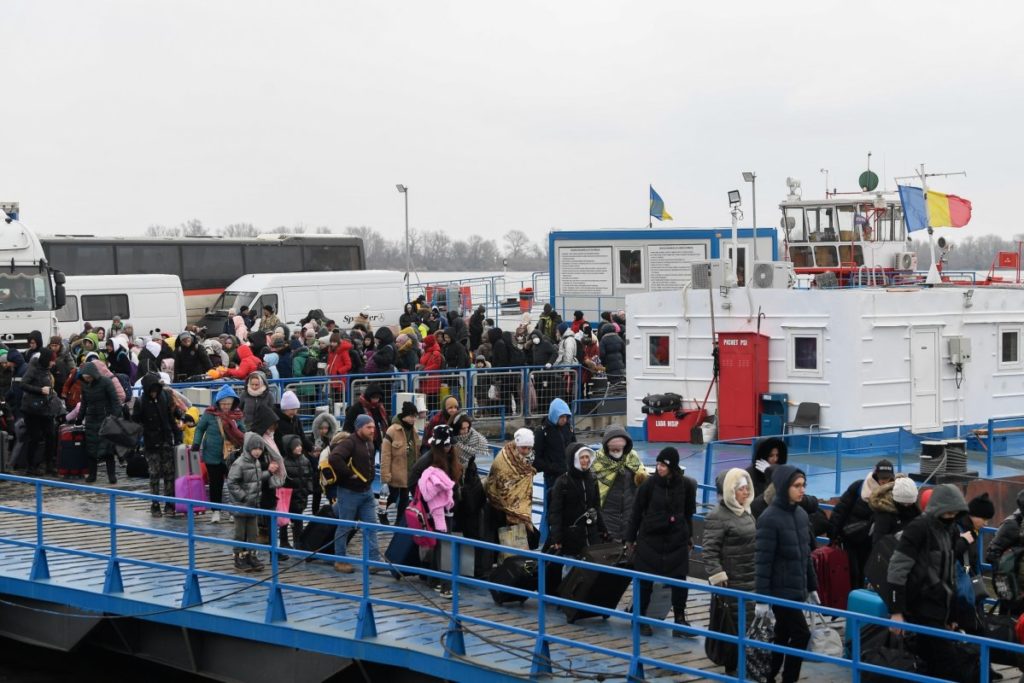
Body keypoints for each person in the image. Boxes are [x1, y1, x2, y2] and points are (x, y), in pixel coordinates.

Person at [885, 484, 969, 681]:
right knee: (949, 664)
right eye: (947, 511)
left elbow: (949, 574)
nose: (950, 516)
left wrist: (953, 615)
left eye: (954, 512)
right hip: (922, 608)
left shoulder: (949, 530)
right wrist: (896, 611)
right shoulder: (918, 528)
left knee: (933, 664)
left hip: (940, 610)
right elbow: (898, 568)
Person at [754, 465, 819, 683]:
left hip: (796, 587)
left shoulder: (801, 515)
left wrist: (812, 586)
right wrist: (762, 599)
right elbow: (763, 560)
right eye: (796, 486)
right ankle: (789, 679)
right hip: (780, 591)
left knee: (782, 634)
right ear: (784, 487)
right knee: (802, 634)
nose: (802, 490)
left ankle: (769, 675)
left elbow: (805, 554)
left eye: (803, 485)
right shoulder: (769, 518)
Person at [625, 447, 696, 636]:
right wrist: (630, 540)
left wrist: (689, 536)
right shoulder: (647, 486)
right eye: (658, 464)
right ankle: (640, 619)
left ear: (672, 467)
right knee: (645, 582)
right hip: (650, 540)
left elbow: (688, 514)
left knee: (680, 580)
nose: (659, 468)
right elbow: (636, 514)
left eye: (663, 465)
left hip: (676, 540)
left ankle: (680, 621)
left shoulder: (687, 486)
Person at [702, 468, 756, 675]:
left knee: (749, 623)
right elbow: (709, 550)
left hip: (751, 577)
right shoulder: (718, 516)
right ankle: (732, 665)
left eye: (746, 488)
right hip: (732, 581)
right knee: (733, 623)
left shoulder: (746, 512)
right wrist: (717, 574)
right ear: (730, 491)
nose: (745, 492)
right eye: (741, 488)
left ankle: (747, 663)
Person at [829, 458, 896, 590]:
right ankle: (852, 602)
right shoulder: (859, 487)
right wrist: (833, 535)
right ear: (875, 475)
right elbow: (841, 511)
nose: (884, 481)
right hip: (851, 538)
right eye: (881, 477)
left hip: (871, 542)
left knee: (867, 574)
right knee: (853, 573)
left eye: (887, 478)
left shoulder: (893, 493)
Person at [329, 414, 381, 574]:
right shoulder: (350, 442)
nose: (372, 430)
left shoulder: (369, 443)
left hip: (366, 492)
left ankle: (374, 561)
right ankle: (340, 560)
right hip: (349, 492)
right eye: (369, 427)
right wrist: (349, 474)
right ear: (359, 428)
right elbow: (335, 458)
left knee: (371, 526)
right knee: (345, 525)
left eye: (373, 427)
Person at [227, 432, 281, 572]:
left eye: (260, 449)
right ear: (248, 448)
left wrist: (268, 473)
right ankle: (239, 557)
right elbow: (232, 482)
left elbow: (255, 479)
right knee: (240, 533)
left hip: (253, 504)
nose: (257, 452)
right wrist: (243, 496)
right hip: (241, 504)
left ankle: (252, 556)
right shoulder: (239, 463)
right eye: (255, 448)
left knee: (253, 532)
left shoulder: (256, 462)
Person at [192, 384, 246, 523]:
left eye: (229, 403)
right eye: (223, 403)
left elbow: (243, 431)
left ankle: (233, 511)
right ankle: (216, 510)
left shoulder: (237, 415)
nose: (226, 406)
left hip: (231, 454)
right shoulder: (209, 414)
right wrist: (196, 444)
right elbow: (199, 429)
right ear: (218, 402)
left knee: (233, 483)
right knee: (215, 484)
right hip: (212, 454)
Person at [133, 373, 184, 516]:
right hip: (150, 443)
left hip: (166, 440)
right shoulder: (141, 402)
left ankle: (169, 503)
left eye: (156, 390)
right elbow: (135, 422)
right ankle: (155, 503)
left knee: (169, 473)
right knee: (154, 474)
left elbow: (170, 419)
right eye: (152, 391)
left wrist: (177, 435)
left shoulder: (164, 397)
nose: (154, 393)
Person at [547, 443, 608, 559]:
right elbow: (555, 512)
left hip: (591, 535)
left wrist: (603, 529)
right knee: (571, 570)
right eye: (582, 458)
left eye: (587, 457)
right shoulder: (562, 482)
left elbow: (596, 507)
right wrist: (556, 537)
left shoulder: (592, 479)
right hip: (571, 537)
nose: (585, 460)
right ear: (574, 459)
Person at [415, 436, 458, 598]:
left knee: (439, 545)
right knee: (443, 546)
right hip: (436, 511)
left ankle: (434, 580)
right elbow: (416, 480)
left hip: (446, 510)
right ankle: (446, 586)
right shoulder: (429, 463)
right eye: (447, 445)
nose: (450, 448)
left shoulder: (449, 459)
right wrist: (424, 504)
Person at [484, 428, 537, 550]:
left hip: (519, 503)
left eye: (529, 448)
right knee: (502, 535)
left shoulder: (528, 458)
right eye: (523, 447)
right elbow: (501, 483)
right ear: (517, 444)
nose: (526, 451)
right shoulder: (504, 459)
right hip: (500, 506)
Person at [591, 425, 647, 542]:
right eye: (613, 448)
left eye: (619, 448)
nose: (616, 451)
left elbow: (642, 478)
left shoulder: (632, 458)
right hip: (607, 515)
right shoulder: (597, 462)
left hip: (629, 513)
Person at [77, 361, 121, 484]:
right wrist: (79, 419)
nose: (87, 379)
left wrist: (114, 417)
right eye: (85, 377)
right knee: (91, 449)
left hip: (106, 419)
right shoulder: (85, 385)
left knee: (108, 449)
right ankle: (92, 475)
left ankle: (112, 476)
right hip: (91, 419)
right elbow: (84, 404)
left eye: (88, 376)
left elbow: (115, 401)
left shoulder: (106, 382)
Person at [380, 401, 421, 525]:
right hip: (395, 472)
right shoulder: (392, 430)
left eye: (415, 416)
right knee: (391, 496)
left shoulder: (414, 430)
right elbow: (386, 455)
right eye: (411, 416)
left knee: (404, 498)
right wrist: (385, 476)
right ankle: (382, 513)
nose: (413, 419)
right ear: (404, 416)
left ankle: (399, 521)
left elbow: (417, 451)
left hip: (409, 471)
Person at [18, 348, 57, 476]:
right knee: (34, 437)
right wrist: (40, 390)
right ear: (46, 360)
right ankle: (31, 466)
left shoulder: (47, 370)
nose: (53, 363)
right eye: (52, 361)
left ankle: (49, 464)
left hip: (45, 407)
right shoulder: (33, 368)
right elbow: (23, 384)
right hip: (32, 409)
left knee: (50, 435)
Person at [533, 397, 574, 492]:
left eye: (566, 417)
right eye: (561, 417)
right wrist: (551, 467)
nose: (564, 420)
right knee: (553, 503)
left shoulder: (568, 428)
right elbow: (536, 458)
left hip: (569, 474)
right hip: (552, 477)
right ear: (555, 415)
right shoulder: (542, 432)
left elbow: (574, 448)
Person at [280, 434, 313, 549]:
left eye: (300, 445)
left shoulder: (305, 460)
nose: (299, 448)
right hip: (288, 496)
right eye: (296, 446)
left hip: (301, 495)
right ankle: (284, 541)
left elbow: (309, 476)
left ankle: (298, 542)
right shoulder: (284, 462)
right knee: (284, 521)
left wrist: (309, 489)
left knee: (298, 520)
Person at [869, 475, 920, 544]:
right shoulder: (884, 514)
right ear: (896, 499)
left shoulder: (914, 508)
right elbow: (878, 543)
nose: (907, 505)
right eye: (903, 503)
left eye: (910, 503)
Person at [343, 383, 388, 454]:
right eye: (374, 397)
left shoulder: (379, 408)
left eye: (378, 398)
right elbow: (348, 426)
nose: (376, 400)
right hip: (361, 440)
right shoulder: (356, 408)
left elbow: (385, 422)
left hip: (377, 440)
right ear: (369, 397)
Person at [310, 412, 339, 512]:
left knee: (331, 492)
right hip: (316, 470)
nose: (324, 431)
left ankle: (334, 510)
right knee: (316, 493)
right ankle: (315, 512)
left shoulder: (331, 440)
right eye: (321, 428)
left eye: (326, 428)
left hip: (328, 470)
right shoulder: (312, 439)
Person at [417, 335, 444, 413]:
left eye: (425, 342)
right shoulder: (427, 351)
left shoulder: (435, 353)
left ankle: (433, 417)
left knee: (433, 401)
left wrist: (424, 370)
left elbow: (436, 365)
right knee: (428, 401)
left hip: (432, 380)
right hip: (426, 380)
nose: (423, 344)